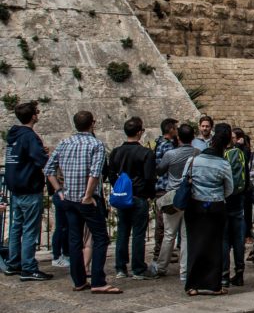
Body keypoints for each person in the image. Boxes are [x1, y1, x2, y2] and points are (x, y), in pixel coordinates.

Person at [44, 111, 120, 293]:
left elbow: (48, 169)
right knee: (101, 238)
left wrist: (59, 190)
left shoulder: (64, 143)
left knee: (74, 240)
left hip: (69, 199)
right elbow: (95, 173)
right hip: (87, 200)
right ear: (92, 123)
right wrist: (87, 196)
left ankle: (78, 281)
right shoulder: (96, 145)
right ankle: (98, 281)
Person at [3, 101, 52, 281]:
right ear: (33, 116)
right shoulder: (29, 136)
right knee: (30, 229)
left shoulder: (14, 135)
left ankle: (14, 263)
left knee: (16, 228)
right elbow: (41, 161)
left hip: (15, 188)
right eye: (37, 112)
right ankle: (29, 267)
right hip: (29, 188)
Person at [182, 126, 234, 296]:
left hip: (195, 205)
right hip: (216, 205)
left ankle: (192, 285)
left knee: (194, 243)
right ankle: (213, 285)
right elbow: (229, 189)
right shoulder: (224, 164)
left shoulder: (194, 160)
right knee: (214, 245)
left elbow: (184, 179)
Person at [108, 117, 157, 280]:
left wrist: (118, 188)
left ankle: (120, 267)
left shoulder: (116, 152)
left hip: (123, 196)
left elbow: (111, 173)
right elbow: (150, 177)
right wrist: (150, 194)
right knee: (138, 233)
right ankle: (138, 268)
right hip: (139, 196)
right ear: (139, 132)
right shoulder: (145, 153)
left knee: (122, 231)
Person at [153, 124, 201, 278]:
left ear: (178, 137)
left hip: (173, 195)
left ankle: (161, 267)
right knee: (186, 236)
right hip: (191, 196)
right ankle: (184, 272)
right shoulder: (198, 153)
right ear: (193, 137)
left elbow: (159, 170)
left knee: (169, 234)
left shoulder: (171, 154)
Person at [219, 123, 248, 288]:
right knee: (238, 239)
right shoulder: (240, 153)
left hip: (226, 199)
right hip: (239, 199)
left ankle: (224, 275)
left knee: (224, 239)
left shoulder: (224, 156)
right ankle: (239, 273)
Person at [152, 118, 178, 261]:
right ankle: (159, 252)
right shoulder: (167, 146)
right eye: (175, 128)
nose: (177, 130)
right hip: (164, 186)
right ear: (170, 130)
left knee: (164, 222)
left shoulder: (159, 143)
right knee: (163, 222)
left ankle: (164, 250)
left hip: (162, 186)